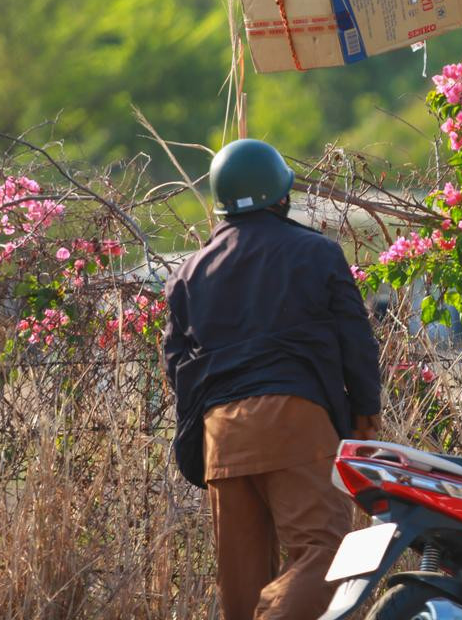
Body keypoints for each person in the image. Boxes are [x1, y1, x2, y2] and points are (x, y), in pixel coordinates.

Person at [163, 138, 381, 620]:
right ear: (280, 196)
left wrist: (199, 437)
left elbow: (175, 366)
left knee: (240, 588)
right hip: (295, 423)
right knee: (327, 558)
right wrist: (365, 413)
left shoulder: (186, 273)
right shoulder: (318, 253)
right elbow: (356, 342)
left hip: (221, 435)